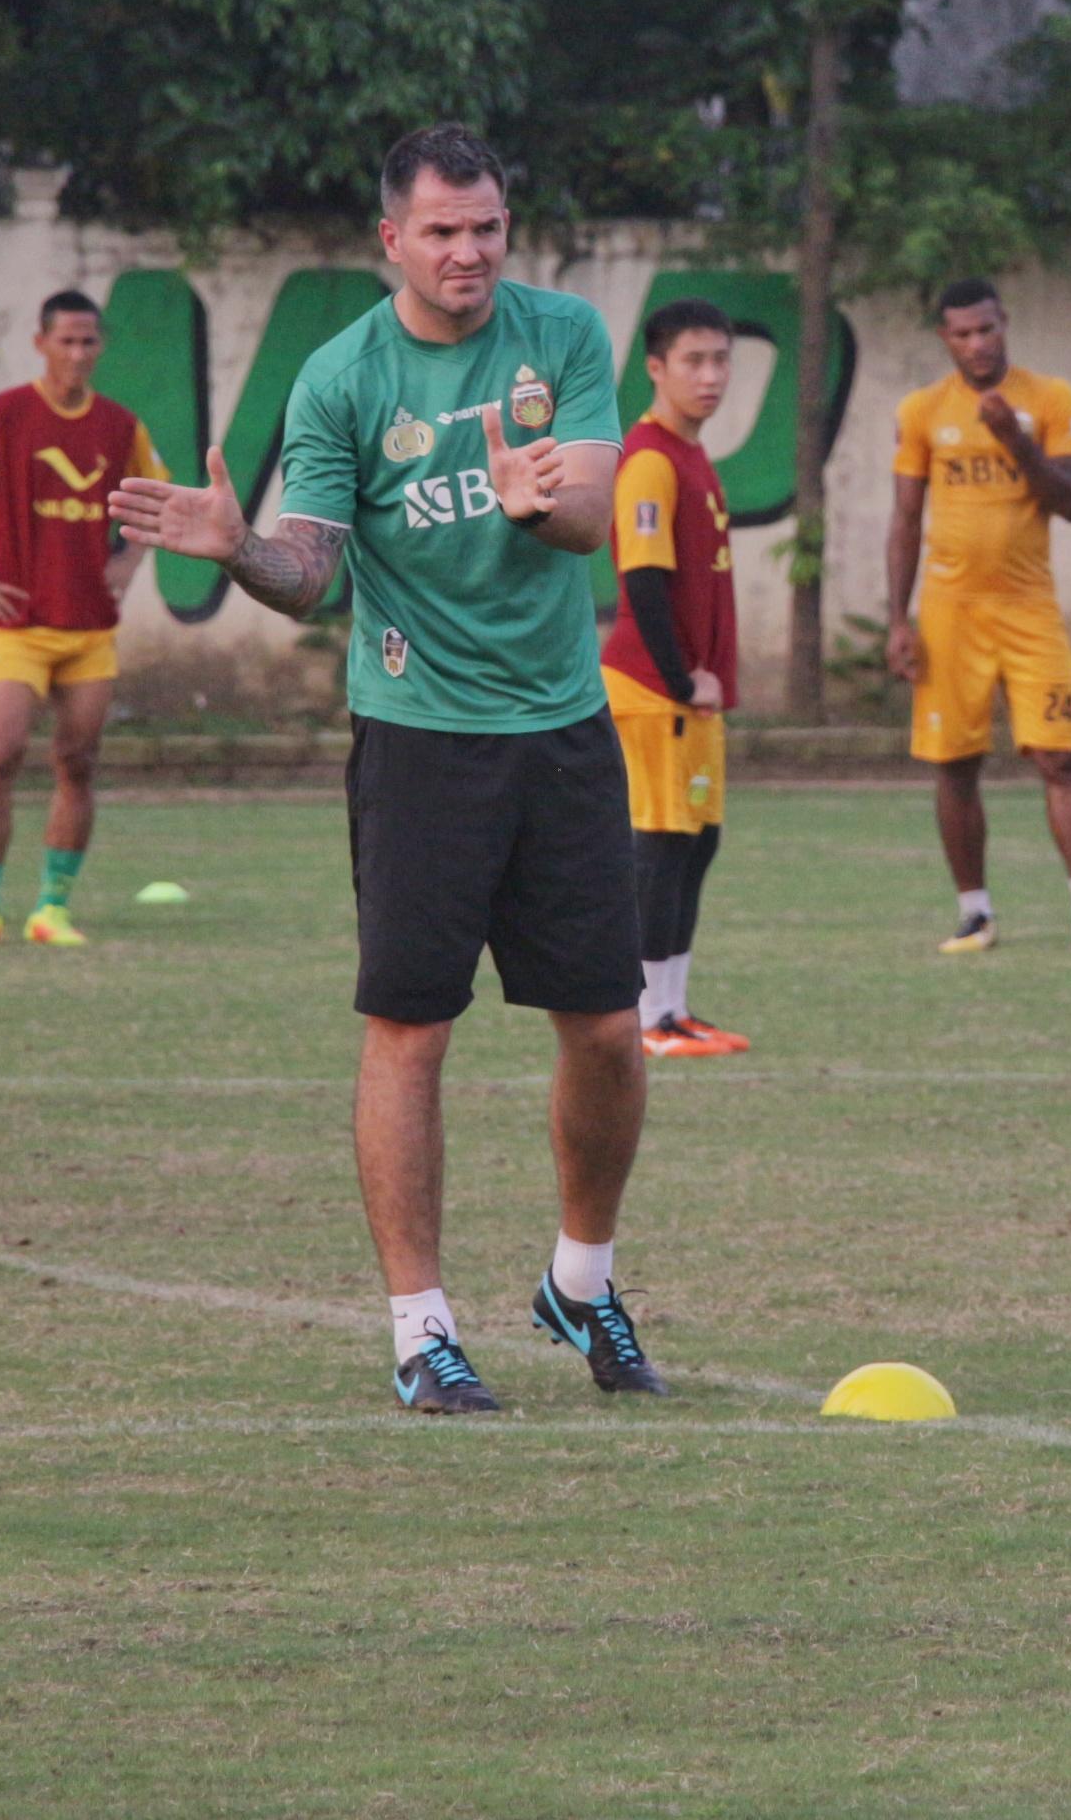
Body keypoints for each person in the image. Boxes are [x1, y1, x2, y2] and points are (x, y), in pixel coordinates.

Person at [115, 122, 666, 1415]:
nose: (468, 252)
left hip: (563, 730)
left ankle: (580, 1283)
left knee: (605, 1030)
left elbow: (588, 514)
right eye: (442, 231)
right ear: (392, 241)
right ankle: (421, 1330)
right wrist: (237, 546)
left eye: (485, 228)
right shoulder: (341, 380)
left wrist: (537, 501)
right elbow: (308, 576)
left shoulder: (565, 338)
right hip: (419, 738)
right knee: (410, 1029)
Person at [882, 278, 1071, 957]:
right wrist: (897, 619)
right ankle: (975, 914)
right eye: (962, 334)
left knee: (1061, 757)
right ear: (946, 339)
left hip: (1029, 608)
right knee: (955, 764)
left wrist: (1014, 442)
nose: (976, 344)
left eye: (986, 330)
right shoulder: (921, 409)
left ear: (1005, 326)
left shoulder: (1049, 399)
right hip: (949, 611)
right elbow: (906, 518)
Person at [0, 289, 170, 948]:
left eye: (89, 342)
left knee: (77, 761)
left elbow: (159, 495)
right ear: (41, 344)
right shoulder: (4, 415)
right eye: (66, 341)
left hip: (89, 629)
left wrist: (131, 558)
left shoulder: (119, 425)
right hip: (18, 627)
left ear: (99, 346)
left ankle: (53, 908)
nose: (78, 353)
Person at [604, 297, 749, 1058]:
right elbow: (644, 583)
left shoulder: (693, 457)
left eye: (721, 359)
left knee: (696, 844)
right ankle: (641, 1018)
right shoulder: (651, 457)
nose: (711, 375)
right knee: (659, 846)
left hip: (692, 698)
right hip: (652, 692)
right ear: (656, 368)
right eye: (694, 360)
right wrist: (679, 677)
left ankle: (673, 1009)